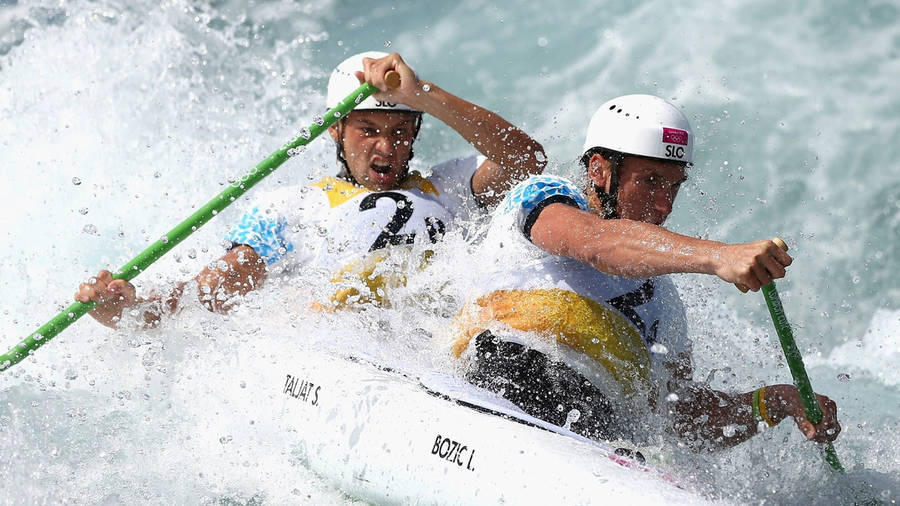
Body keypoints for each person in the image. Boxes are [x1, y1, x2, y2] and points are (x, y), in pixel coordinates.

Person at [450, 94, 840, 450]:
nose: (664, 206)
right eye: (650, 181)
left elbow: (681, 419)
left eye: (673, 186)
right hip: (494, 378)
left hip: (593, 434)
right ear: (600, 170)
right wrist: (720, 256)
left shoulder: (664, 302)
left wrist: (777, 401)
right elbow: (597, 244)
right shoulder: (543, 196)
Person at [76, 51, 546, 327]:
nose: (387, 146)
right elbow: (210, 294)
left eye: (401, 129)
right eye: (368, 129)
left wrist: (424, 96)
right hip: (346, 355)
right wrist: (131, 308)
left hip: (445, 344)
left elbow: (528, 160)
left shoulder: (450, 186)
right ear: (335, 131)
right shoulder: (290, 208)